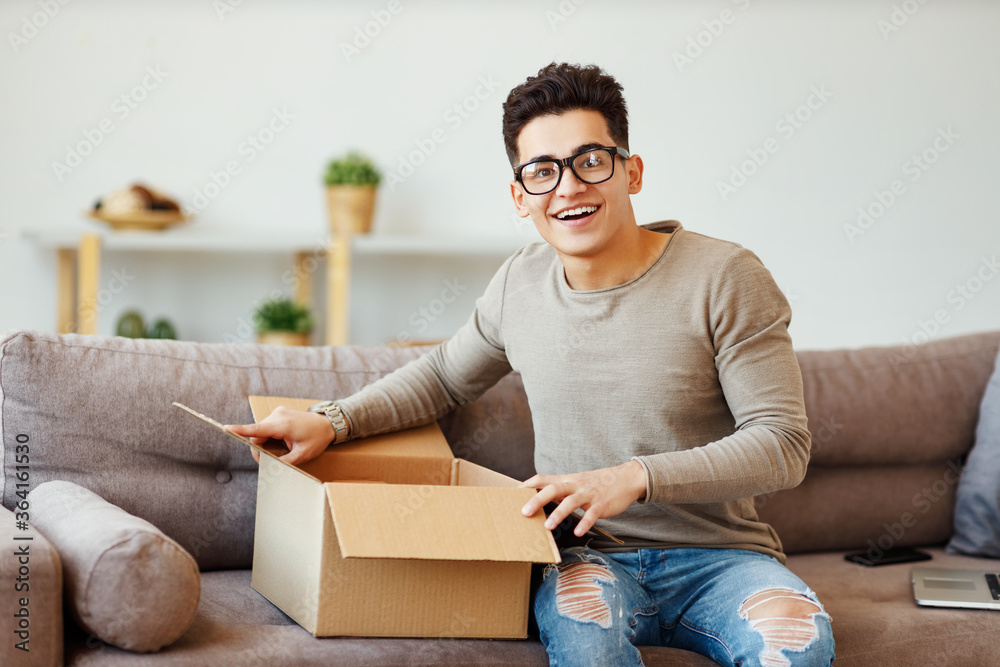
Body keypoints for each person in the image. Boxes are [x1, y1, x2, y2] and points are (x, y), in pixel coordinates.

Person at [228, 62, 835, 667]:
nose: (568, 188)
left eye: (591, 160)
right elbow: (442, 377)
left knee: (797, 648)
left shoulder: (725, 278)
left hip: (724, 561)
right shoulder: (519, 284)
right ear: (521, 196)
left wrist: (631, 476)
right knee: (586, 644)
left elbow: (781, 443)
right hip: (587, 558)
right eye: (543, 172)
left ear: (633, 171)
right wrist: (333, 421)